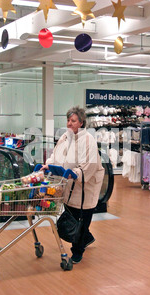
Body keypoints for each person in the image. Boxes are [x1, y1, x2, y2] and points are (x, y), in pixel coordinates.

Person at [41, 106, 105, 264]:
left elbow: (89, 164)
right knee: (72, 215)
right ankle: (86, 238)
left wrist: (76, 172)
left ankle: (77, 251)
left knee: (81, 217)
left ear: (81, 123)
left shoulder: (88, 140)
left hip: (85, 186)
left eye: (73, 121)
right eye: (68, 120)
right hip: (69, 184)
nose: (69, 123)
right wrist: (49, 164)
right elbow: (55, 154)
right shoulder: (65, 136)